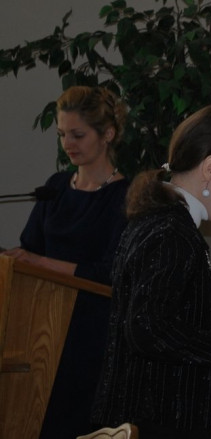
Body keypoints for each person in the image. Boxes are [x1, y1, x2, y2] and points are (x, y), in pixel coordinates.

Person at [90, 104, 211, 439]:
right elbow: (149, 330)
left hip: (157, 416)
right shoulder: (171, 233)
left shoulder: (166, 222)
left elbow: (177, 306)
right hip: (160, 422)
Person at [1, 85, 130, 439]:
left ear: (107, 134)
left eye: (77, 134)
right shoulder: (56, 186)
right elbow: (29, 252)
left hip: (89, 335)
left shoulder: (124, 197)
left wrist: (40, 262)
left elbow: (110, 274)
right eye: (61, 135)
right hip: (40, 327)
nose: (67, 144)